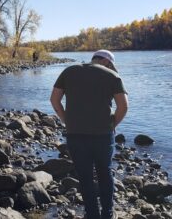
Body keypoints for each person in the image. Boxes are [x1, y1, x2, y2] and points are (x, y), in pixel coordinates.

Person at [50, 50, 128, 219]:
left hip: (75, 135)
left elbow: (54, 100)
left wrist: (66, 120)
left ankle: (92, 214)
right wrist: (113, 124)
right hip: (103, 136)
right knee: (105, 174)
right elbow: (123, 106)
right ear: (107, 62)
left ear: (94, 58)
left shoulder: (69, 71)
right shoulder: (112, 75)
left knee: (85, 176)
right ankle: (107, 213)